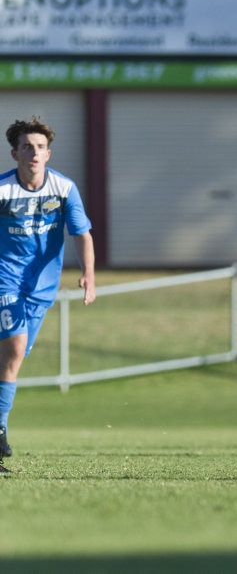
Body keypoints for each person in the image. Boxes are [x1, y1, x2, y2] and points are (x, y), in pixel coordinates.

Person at [0, 117, 96, 473]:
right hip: (4, 282)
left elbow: (82, 234)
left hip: (42, 290)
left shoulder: (64, 189)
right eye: (27, 146)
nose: (34, 153)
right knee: (12, 349)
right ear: (15, 153)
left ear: (48, 153)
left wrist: (88, 273)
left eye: (40, 147)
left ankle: (0, 429)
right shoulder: (3, 190)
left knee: (13, 359)